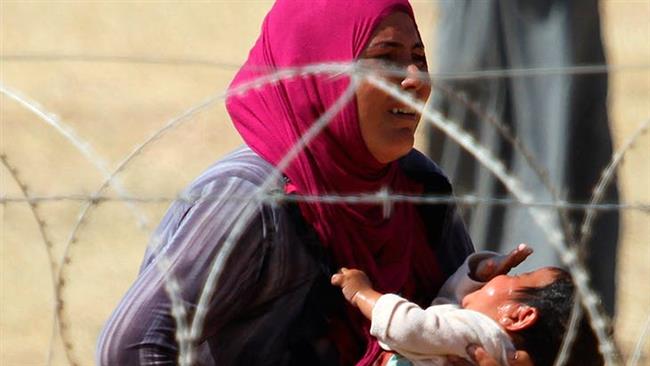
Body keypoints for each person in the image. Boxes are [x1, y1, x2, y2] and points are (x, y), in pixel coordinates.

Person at [96, 1, 528, 365]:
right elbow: (130, 348)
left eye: (419, 56)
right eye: (386, 58)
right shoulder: (251, 201)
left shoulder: (418, 187)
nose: (415, 79)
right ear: (318, 74)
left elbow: (445, 327)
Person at [426, 0, 619, 315]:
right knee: (465, 148)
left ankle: (549, 315)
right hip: (475, 19)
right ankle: (463, 297)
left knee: (557, 146)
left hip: (556, 16)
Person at [332, 247, 604, 366]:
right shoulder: (485, 341)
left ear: (518, 316)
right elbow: (446, 307)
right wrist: (473, 275)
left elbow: (412, 327)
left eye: (517, 277)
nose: (503, 276)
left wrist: (363, 294)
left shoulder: (482, 335)